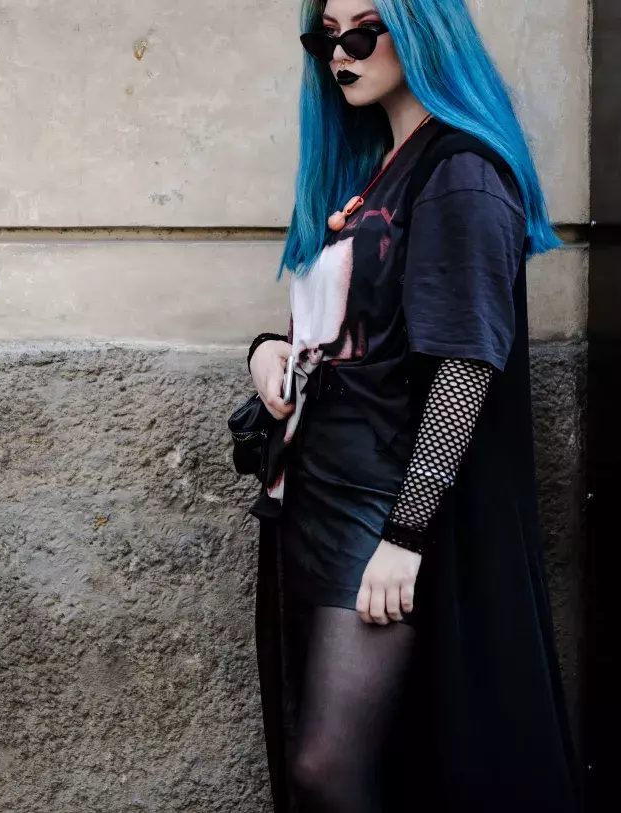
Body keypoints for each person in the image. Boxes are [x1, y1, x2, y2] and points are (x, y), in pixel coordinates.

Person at [245, 1, 579, 810]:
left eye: (364, 32)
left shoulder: (460, 171)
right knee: (351, 760)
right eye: (326, 37)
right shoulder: (376, 169)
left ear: (423, 31)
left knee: (330, 766)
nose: (341, 54)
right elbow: (357, 328)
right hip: (320, 493)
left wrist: (405, 534)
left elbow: (465, 363)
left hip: (382, 504)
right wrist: (266, 350)